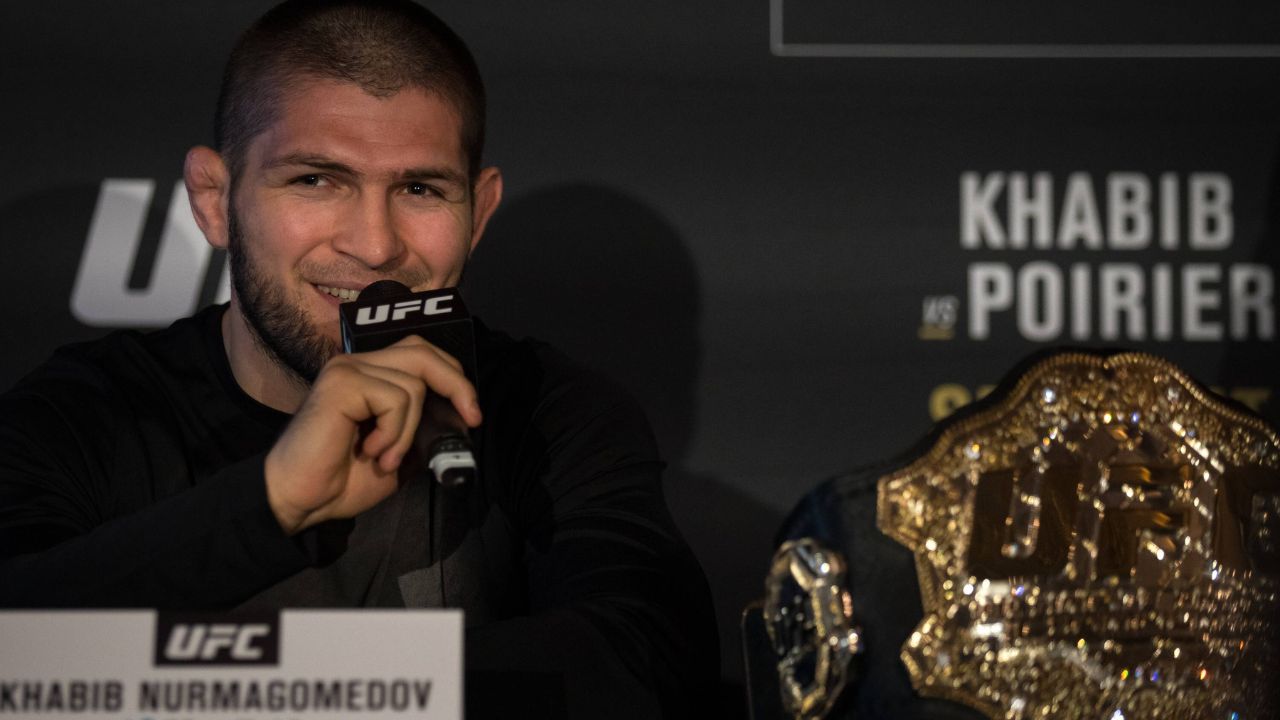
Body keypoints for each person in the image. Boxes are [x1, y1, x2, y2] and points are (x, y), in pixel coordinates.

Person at [0, 1, 717, 716]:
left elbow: (644, 661)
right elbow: (16, 651)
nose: (374, 246)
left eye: (419, 189)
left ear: (480, 212)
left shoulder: (551, 413)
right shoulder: (86, 413)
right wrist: (272, 501)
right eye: (315, 179)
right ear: (215, 200)